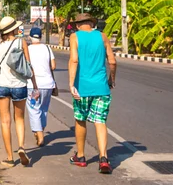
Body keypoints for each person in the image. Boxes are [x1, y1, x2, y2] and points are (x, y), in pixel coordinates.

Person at [0, 16, 39, 167]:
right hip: (19, 85)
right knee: (19, 118)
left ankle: (9, 157)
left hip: (1, 85)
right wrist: (34, 85)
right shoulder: (21, 42)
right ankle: (21, 147)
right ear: (14, 28)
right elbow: (29, 66)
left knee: (5, 121)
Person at [68, 13, 117, 174]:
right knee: (100, 121)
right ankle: (103, 158)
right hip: (101, 87)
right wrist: (111, 79)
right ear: (92, 23)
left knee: (80, 119)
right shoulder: (102, 36)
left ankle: (81, 157)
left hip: (82, 88)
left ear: (77, 25)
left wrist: (71, 83)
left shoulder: (75, 37)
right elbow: (112, 61)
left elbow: (74, 60)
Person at [25, 27, 56, 147]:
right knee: (43, 108)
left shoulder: (27, 49)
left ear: (30, 37)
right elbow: (53, 66)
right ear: (41, 37)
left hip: (33, 85)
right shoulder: (47, 48)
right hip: (48, 84)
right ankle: (40, 130)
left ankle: (40, 135)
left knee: (34, 109)